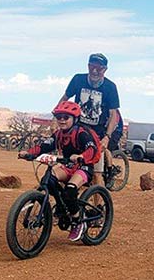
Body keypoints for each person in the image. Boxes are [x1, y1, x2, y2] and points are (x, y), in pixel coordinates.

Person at [18, 101, 101, 242]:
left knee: (70, 189)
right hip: (67, 165)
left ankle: (77, 220)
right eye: (59, 117)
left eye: (66, 117)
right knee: (49, 179)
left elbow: (91, 148)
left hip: (83, 166)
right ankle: (62, 208)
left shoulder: (81, 133)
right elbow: (43, 146)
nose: (62, 120)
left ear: (74, 119)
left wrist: (81, 156)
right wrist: (29, 153)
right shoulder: (58, 134)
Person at [58, 53, 120, 186]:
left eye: (99, 68)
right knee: (67, 166)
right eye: (92, 67)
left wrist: (107, 137)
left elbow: (113, 114)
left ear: (105, 69)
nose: (95, 71)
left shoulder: (110, 87)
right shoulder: (78, 80)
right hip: (76, 132)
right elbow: (65, 98)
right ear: (88, 66)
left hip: (96, 135)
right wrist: (55, 119)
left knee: (97, 173)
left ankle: (99, 205)